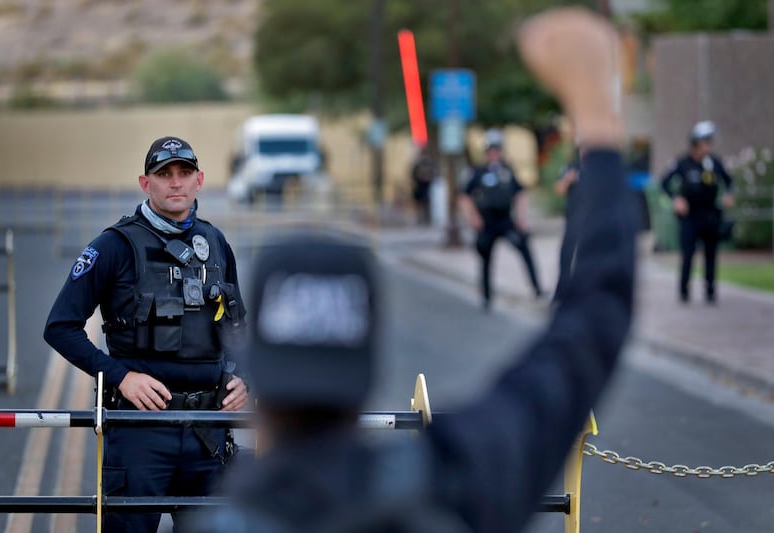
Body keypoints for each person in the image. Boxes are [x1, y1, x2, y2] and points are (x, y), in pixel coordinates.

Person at [191, 7, 635, 533]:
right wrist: (597, 118)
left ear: (260, 375)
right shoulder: (451, 484)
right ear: (368, 368)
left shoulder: (228, 522)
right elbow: (591, 321)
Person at [43, 136, 249, 533]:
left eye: (184, 173)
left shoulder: (217, 244)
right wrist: (120, 376)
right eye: (164, 174)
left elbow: (239, 329)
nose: (175, 183)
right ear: (145, 183)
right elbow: (60, 327)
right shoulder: (113, 246)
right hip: (140, 433)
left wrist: (245, 379)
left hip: (207, 433)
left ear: (199, 180)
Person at [459, 128, 544, 310]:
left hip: (505, 220)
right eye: (491, 150)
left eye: (497, 149)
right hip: (487, 221)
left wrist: (522, 217)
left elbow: (520, 193)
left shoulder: (507, 170)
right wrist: (473, 217)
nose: (494, 153)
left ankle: (537, 288)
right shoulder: (478, 172)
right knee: (486, 258)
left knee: (524, 247)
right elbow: (465, 196)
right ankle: (486, 297)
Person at [661, 120, 734, 304]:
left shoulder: (714, 163)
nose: (708, 147)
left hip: (710, 215)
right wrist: (676, 199)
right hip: (690, 217)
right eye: (705, 143)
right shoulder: (682, 163)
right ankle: (684, 291)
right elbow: (664, 183)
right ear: (695, 144)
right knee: (688, 254)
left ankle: (710, 291)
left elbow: (729, 181)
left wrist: (728, 195)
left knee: (711, 255)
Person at [552, 145, 581, 303]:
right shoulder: (572, 167)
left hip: (592, 221)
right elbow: (558, 190)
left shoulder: (597, 169)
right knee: (566, 256)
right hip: (573, 218)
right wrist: (567, 180)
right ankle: (561, 293)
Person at [410, 145, 438, 225]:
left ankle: (426, 217)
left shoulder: (429, 163)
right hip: (420, 185)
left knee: (426, 202)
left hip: (427, 185)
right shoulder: (418, 164)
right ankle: (421, 217)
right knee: (420, 202)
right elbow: (413, 175)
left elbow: (433, 173)